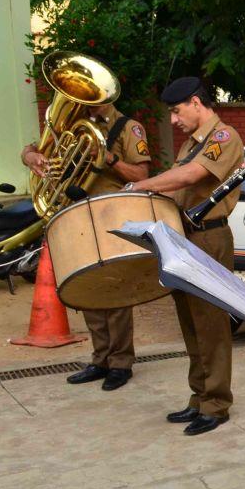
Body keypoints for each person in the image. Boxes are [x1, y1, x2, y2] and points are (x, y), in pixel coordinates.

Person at [130, 77, 243, 436]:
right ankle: (199, 396)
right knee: (191, 323)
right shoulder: (192, 143)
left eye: (177, 112)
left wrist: (140, 185)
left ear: (196, 102)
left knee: (211, 323)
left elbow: (192, 175)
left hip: (209, 238)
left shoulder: (223, 137)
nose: (174, 120)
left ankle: (216, 403)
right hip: (183, 237)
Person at [21, 101, 151, 391]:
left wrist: (108, 159)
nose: (85, 100)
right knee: (88, 285)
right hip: (76, 213)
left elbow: (141, 176)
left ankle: (121, 362)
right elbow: (30, 148)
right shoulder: (72, 124)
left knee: (115, 288)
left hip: (111, 213)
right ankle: (100, 358)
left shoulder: (130, 128)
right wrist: (31, 157)